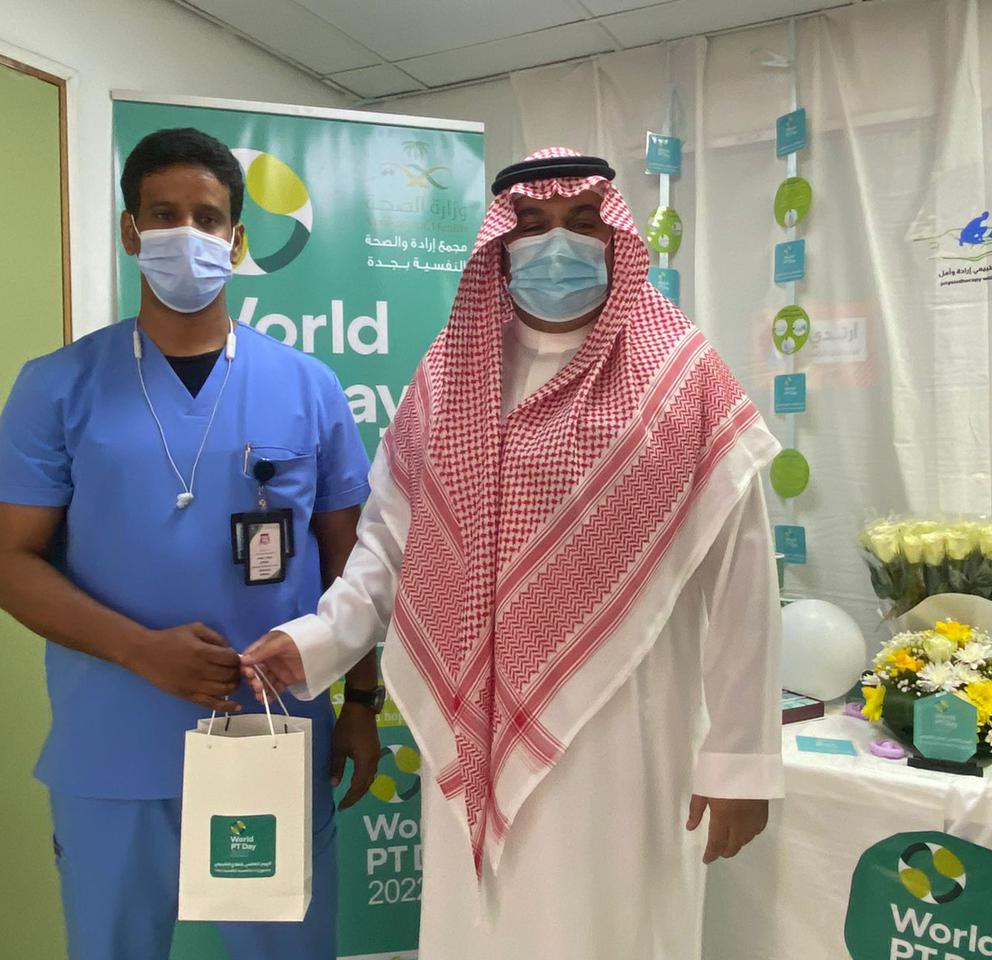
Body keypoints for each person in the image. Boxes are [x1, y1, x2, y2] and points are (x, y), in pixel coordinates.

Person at [242, 147, 784, 959]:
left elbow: (742, 577)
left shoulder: (682, 378)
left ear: (615, 237)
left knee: (613, 931)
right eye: (532, 224)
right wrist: (321, 638)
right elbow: (388, 541)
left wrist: (740, 760)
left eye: (580, 221)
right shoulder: (449, 379)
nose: (556, 244)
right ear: (500, 244)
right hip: (473, 724)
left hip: (627, 733)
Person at [0, 127, 381, 960]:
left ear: (237, 240)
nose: (186, 234)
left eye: (207, 218)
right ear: (131, 232)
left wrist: (361, 704)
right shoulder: (58, 386)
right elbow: (6, 565)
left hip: (274, 738)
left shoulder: (307, 388)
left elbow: (352, 563)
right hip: (113, 747)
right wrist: (140, 651)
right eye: (163, 215)